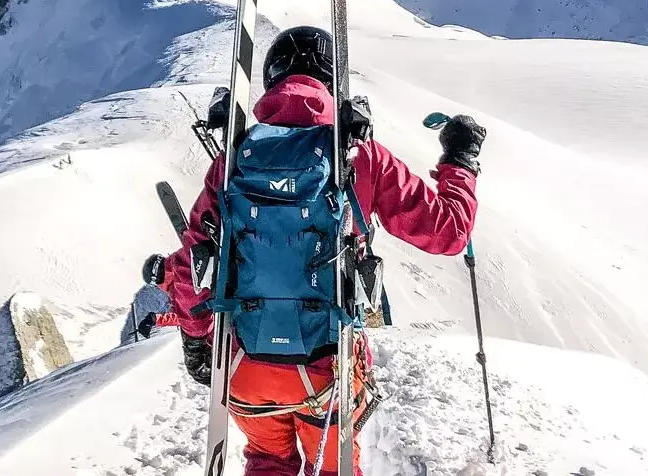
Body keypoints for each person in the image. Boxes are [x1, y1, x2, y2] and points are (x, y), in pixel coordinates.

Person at [170, 26, 486, 476]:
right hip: (329, 367)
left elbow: (192, 263)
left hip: (248, 367)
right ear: (333, 82)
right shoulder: (359, 154)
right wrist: (461, 161)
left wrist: (198, 340)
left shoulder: (234, 158)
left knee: (266, 462)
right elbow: (448, 231)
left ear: (271, 81)